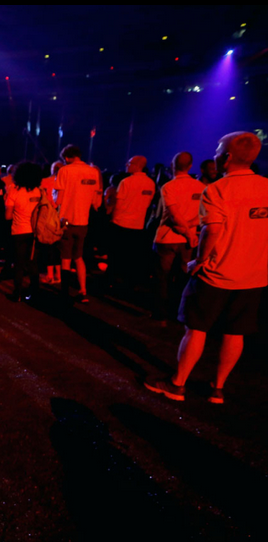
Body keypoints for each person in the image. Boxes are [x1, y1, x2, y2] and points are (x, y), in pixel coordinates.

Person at [145, 131, 267, 404]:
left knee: (196, 329)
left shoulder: (217, 189)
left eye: (218, 149)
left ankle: (177, 384)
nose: (215, 154)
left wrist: (199, 261)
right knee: (235, 332)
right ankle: (218, 388)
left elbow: (211, 231)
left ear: (228, 157)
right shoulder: (266, 187)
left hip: (217, 273)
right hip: (254, 276)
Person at [152, 152, 205, 325]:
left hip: (167, 238)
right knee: (182, 278)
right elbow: (203, 216)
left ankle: (161, 315)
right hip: (188, 241)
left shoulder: (169, 186)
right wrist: (190, 231)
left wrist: (185, 230)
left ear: (172, 166)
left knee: (162, 278)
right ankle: (178, 313)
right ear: (190, 166)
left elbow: (174, 216)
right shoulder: (201, 187)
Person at [54, 144, 103, 303]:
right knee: (79, 256)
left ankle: (64, 291)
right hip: (83, 221)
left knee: (66, 258)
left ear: (67, 157)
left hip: (66, 220)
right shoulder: (93, 172)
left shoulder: (65, 171)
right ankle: (83, 290)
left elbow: (58, 200)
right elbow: (96, 201)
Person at [109, 155, 155, 292]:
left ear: (137, 165)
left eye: (129, 163)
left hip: (121, 223)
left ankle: (112, 283)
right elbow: (147, 204)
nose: (126, 165)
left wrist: (113, 220)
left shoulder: (126, 182)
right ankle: (128, 285)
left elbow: (119, 204)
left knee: (116, 256)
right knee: (131, 257)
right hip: (138, 225)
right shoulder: (150, 183)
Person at [4, 161, 43, 301]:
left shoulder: (14, 192)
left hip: (19, 231)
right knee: (33, 263)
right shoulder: (39, 191)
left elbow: (8, 216)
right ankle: (34, 292)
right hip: (36, 231)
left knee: (19, 264)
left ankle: (17, 293)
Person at [39, 161, 64, 284]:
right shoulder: (65, 183)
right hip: (61, 215)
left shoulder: (44, 181)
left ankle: (50, 275)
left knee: (49, 245)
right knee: (58, 247)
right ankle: (58, 274)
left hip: (48, 215)